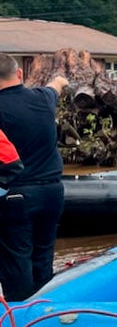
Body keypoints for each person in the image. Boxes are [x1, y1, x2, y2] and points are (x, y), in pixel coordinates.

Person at [0, 54, 69, 301]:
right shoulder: (43, 98)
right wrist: (61, 79)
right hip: (52, 191)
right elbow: (56, 86)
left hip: (16, 194)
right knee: (44, 258)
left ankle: (21, 317)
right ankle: (47, 308)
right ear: (19, 74)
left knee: (16, 263)